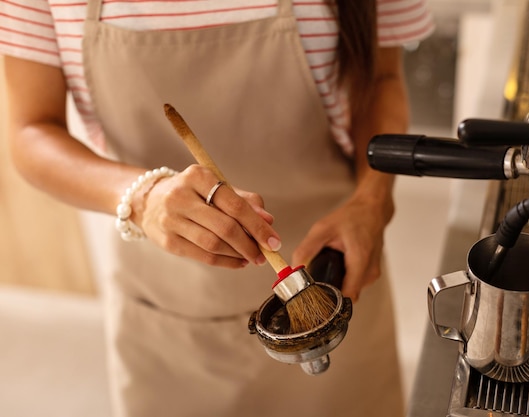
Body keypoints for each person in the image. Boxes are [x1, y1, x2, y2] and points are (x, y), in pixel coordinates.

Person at [1, 0, 434, 416]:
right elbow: (30, 131)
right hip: (168, 318)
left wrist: (373, 199)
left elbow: (379, 80)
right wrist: (143, 197)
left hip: (334, 287)